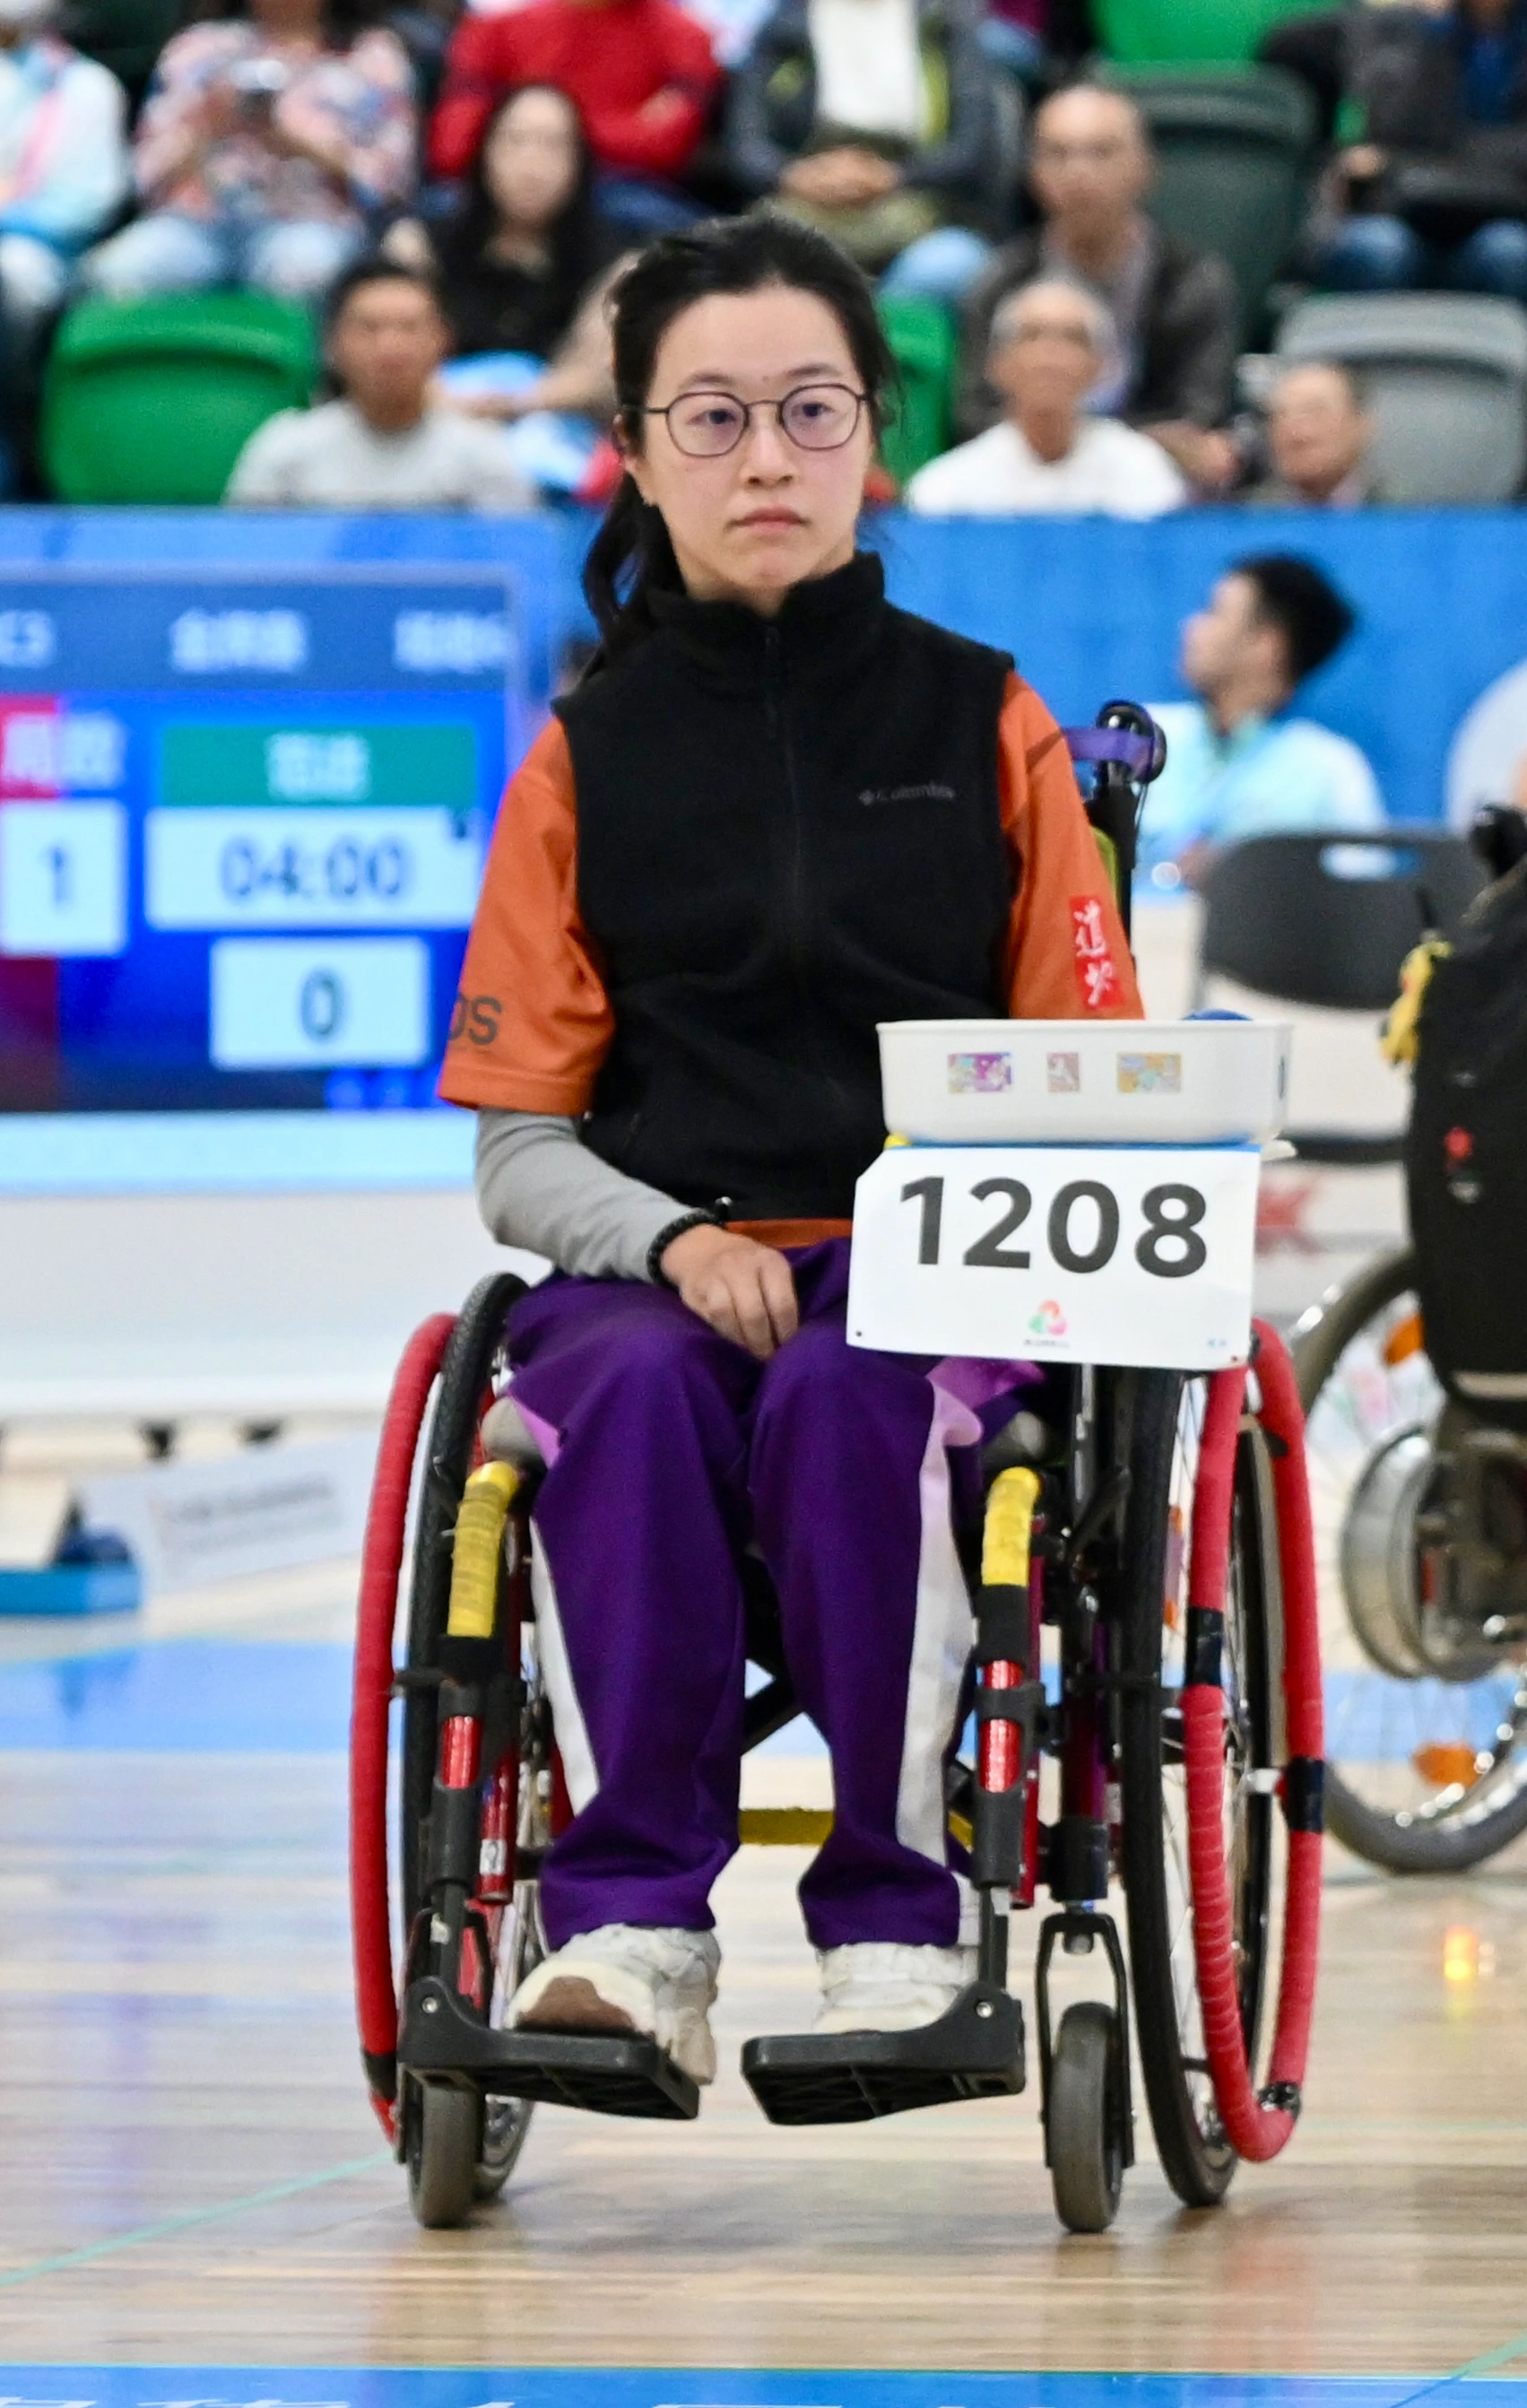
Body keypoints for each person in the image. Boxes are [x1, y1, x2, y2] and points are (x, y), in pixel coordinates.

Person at [436, 215, 1142, 2072]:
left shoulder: (985, 717)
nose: (766, 458)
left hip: (935, 1268)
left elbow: (1090, 1070)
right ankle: (626, 1933)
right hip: (662, 1263)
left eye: (809, 411)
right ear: (641, 449)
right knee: (625, 1392)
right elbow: (519, 1149)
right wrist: (670, 1242)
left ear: (875, 437)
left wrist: (919, 1230)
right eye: (718, 417)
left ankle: (903, 1924)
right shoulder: (586, 754)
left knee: (857, 1391)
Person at [951, 83, 1239, 496]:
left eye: (1101, 152)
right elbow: (977, 413)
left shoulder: (1192, 281)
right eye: (1059, 154)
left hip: (1151, 485)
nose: (1079, 172)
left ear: (1146, 167)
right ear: (1033, 174)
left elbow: (1200, 413)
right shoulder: (1001, 282)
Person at [80, 0, 415, 303]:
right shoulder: (198, 47)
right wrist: (209, 127)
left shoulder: (373, 55)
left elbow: (392, 183)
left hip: (311, 220)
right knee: (115, 274)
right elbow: (143, 173)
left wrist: (296, 142)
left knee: (299, 272)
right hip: (194, 221)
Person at [1294, 0, 1527, 317]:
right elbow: (1392, 126)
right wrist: (1430, 38)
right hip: (1407, 206)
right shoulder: (1405, 28)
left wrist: (1421, 159)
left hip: (1517, 211)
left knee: (1510, 254)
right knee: (1374, 248)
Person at [727, 0, 1011, 303]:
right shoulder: (786, 23)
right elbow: (745, 142)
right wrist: (792, 175)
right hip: (802, 194)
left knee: (945, 268)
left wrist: (893, 176)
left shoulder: (943, 21)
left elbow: (970, 148)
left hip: (921, 197)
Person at [1140, 552, 1383, 888]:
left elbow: (1363, 902)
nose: (1191, 627)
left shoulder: (1330, 770)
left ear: (1265, 645)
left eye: (1213, 612)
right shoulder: (1143, 734)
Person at [226, 256, 537, 509]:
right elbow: (245, 562)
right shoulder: (286, 448)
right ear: (332, 344)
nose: (390, 346)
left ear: (443, 341)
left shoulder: (483, 453)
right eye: (369, 328)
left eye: (409, 327)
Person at [430, 0, 724, 240]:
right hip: (498, 187)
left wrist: (528, 130)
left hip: (619, 192)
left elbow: (667, 147)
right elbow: (453, 147)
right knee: (438, 210)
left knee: (686, 239)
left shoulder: (686, 37)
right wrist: (623, 126)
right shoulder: (495, 30)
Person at [904, 277, 1192, 516]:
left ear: (1101, 365)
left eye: (1072, 338)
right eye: (1031, 336)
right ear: (996, 364)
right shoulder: (946, 490)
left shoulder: (1143, 471)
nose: (1050, 356)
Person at [0, 0, 129, 488]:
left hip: (41, 254)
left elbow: (87, 202)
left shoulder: (86, 86)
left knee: (13, 277)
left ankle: (16, 456)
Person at [412, 84, 618, 389]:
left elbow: (598, 380)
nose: (531, 163)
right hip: (434, 411)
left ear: (580, 162)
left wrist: (511, 404)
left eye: (553, 145)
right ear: (485, 150)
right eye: (516, 141)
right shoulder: (420, 244)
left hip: (556, 419)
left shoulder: (613, 261)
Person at [1245, 357, 1375, 504]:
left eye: (1315, 411)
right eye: (1282, 415)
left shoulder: (1399, 512)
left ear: (1360, 423)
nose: (1297, 432)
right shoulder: (1243, 516)